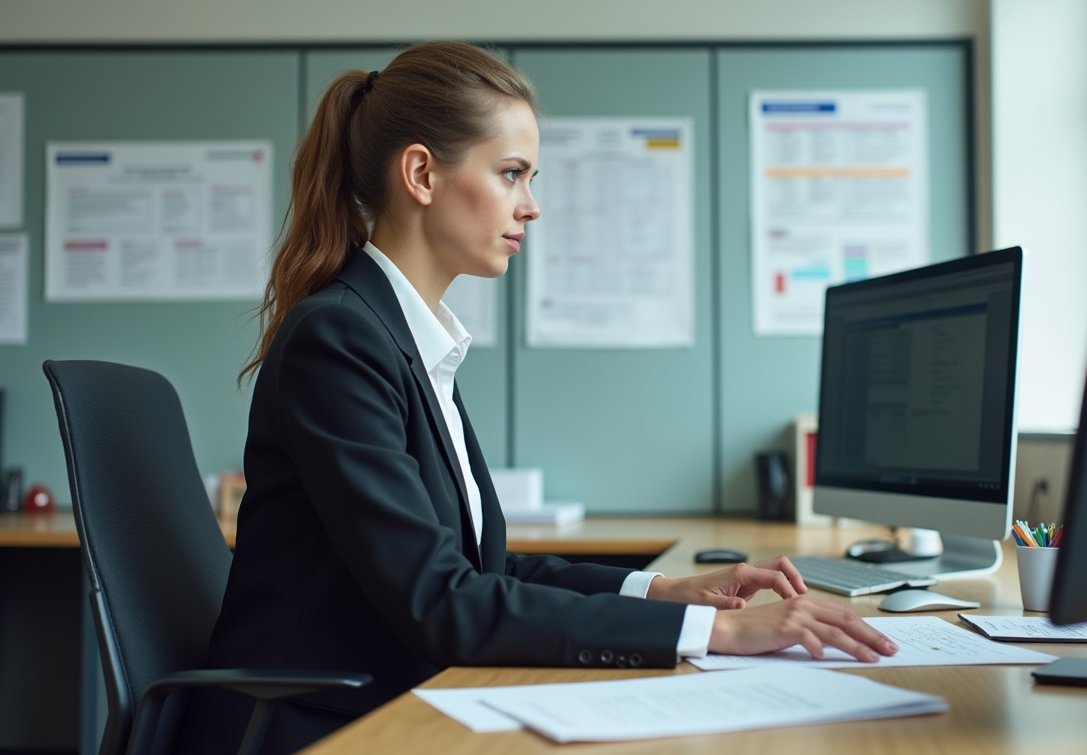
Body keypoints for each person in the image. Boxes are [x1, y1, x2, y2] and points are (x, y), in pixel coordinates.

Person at [177, 41, 898, 754]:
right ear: (422, 174)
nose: (531, 206)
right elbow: (441, 602)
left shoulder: (404, 338)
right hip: (315, 726)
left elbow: (482, 572)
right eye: (511, 174)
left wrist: (665, 593)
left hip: (393, 699)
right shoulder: (339, 339)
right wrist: (721, 631)